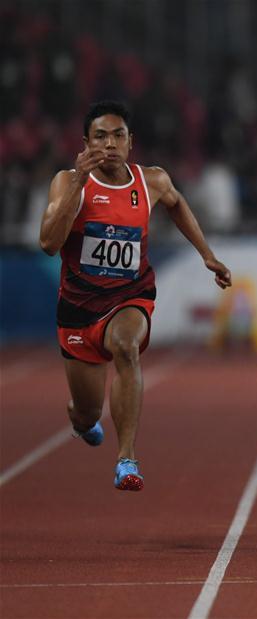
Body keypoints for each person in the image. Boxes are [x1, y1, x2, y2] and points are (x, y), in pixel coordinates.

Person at [39, 101, 231, 491]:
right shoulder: (67, 182)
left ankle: (126, 459)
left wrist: (207, 254)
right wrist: (78, 182)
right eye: (100, 137)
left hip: (131, 295)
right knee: (86, 411)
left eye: (118, 135)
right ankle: (82, 419)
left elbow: (177, 204)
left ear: (131, 141)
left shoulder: (151, 181)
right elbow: (48, 244)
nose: (110, 144)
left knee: (126, 347)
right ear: (85, 143)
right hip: (78, 309)